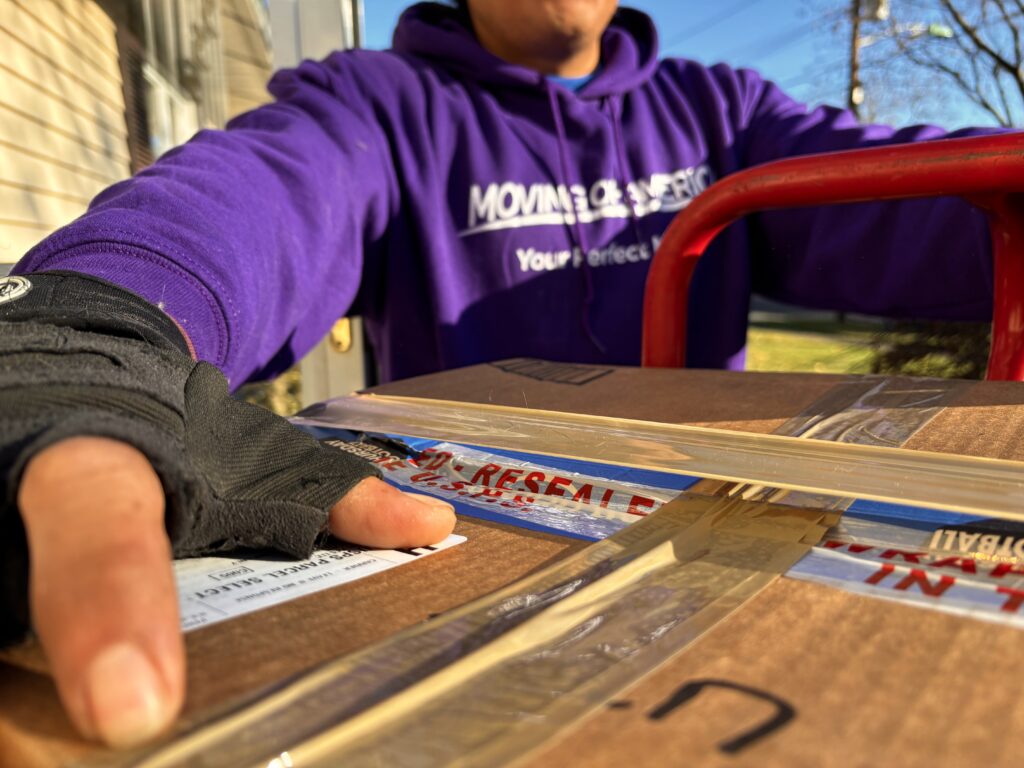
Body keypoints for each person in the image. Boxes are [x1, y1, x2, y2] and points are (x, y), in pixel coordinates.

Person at [0, 0, 1002, 748]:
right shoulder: (380, 106)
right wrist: (97, 326)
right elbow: (256, 200)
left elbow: (934, 203)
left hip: (726, 570)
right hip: (452, 567)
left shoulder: (721, 113)